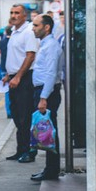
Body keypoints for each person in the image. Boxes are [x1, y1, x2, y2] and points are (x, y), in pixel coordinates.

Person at [3, 4, 39, 163]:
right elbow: (15, 56)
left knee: (25, 117)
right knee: (16, 115)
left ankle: (29, 151)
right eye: (11, 12)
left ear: (25, 16)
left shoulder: (28, 32)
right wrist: (8, 75)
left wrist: (17, 77)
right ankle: (20, 150)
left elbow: (30, 56)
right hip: (14, 77)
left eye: (17, 13)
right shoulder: (14, 32)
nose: (13, 15)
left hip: (25, 78)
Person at [30, 14, 63, 181]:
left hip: (47, 92)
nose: (33, 28)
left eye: (36, 25)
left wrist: (43, 98)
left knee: (50, 132)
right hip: (43, 91)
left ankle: (51, 170)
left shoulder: (51, 46)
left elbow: (51, 73)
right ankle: (50, 169)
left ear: (46, 27)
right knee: (47, 131)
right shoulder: (45, 45)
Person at [0, 26, 13, 118]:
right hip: (13, 69)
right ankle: (14, 111)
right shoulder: (14, 41)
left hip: (3, 68)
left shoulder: (1, 42)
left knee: (7, 92)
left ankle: (9, 112)